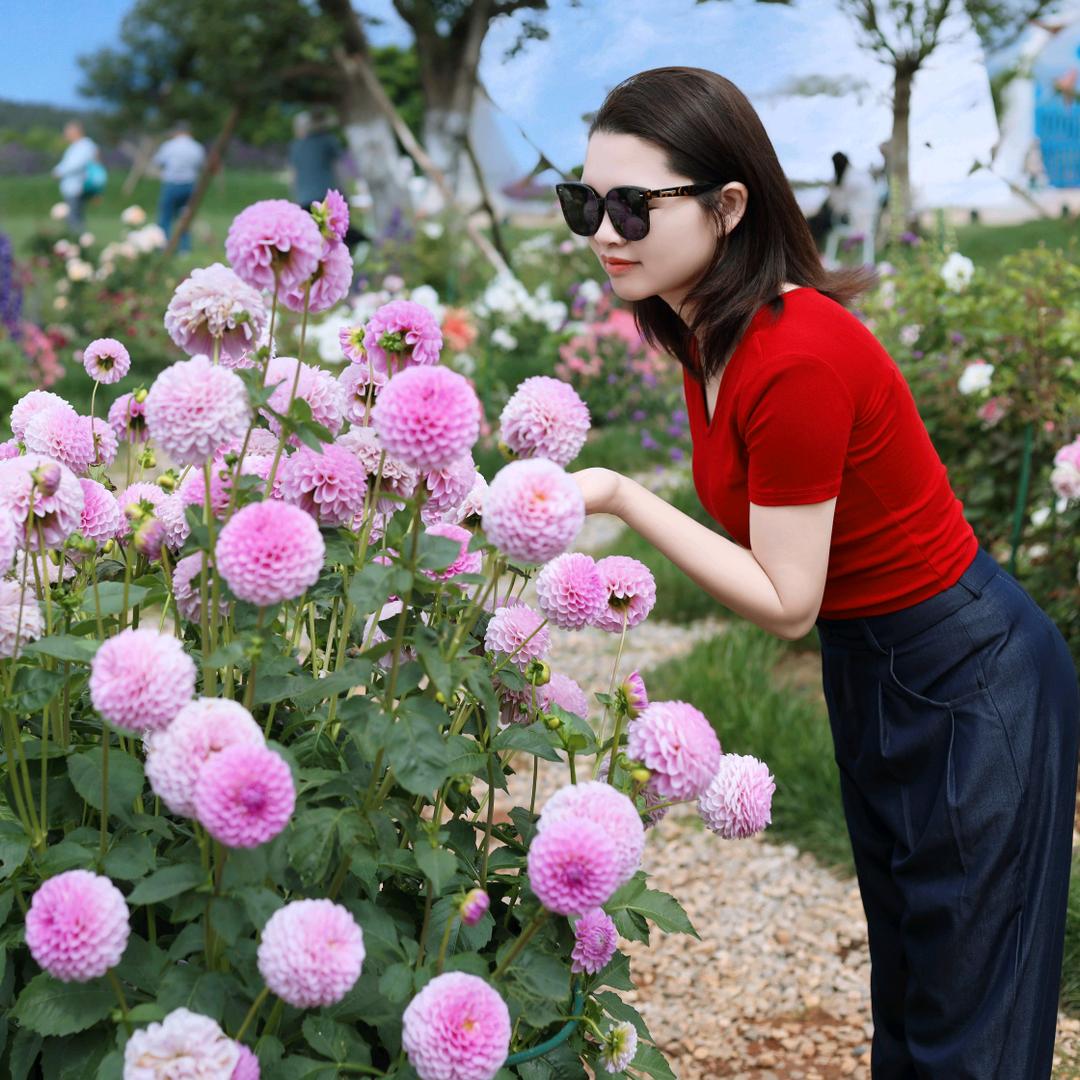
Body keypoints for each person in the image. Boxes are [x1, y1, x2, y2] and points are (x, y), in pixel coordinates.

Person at [559, 66, 1078, 1078]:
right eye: (586, 203)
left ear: (729, 204)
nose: (604, 231)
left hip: (967, 672)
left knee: (968, 1001)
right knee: (919, 974)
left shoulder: (793, 354)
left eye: (632, 205)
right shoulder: (701, 323)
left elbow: (785, 600)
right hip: (881, 660)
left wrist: (622, 494)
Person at [288, 108, 368, 249]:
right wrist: (345, 195)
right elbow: (339, 169)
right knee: (338, 236)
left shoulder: (296, 146)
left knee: (315, 240)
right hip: (325, 198)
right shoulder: (328, 141)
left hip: (304, 200)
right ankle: (368, 243)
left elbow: (293, 177)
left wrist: (296, 200)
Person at [152, 120, 206, 253]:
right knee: (185, 217)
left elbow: (158, 162)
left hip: (172, 184)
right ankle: (184, 248)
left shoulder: (169, 146)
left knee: (166, 217)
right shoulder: (196, 147)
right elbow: (201, 165)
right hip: (189, 185)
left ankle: (163, 246)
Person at [822, 151, 880, 268]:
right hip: (866, 217)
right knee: (821, 219)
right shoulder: (858, 175)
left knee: (819, 221)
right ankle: (822, 258)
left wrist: (831, 189)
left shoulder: (850, 179)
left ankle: (820, 258)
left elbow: (838, 205)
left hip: (858, 219)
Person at [51, 120, 99, 229]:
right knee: (74, 217)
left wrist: (58, 171)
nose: (65, 135)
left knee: (74, 218)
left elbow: (75, 164)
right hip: (73, 187)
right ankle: (77, 241)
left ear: (75, 132)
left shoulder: (84, 146)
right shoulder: (77, 146)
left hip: (77, 186)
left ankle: (78, 242)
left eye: (67, 132)